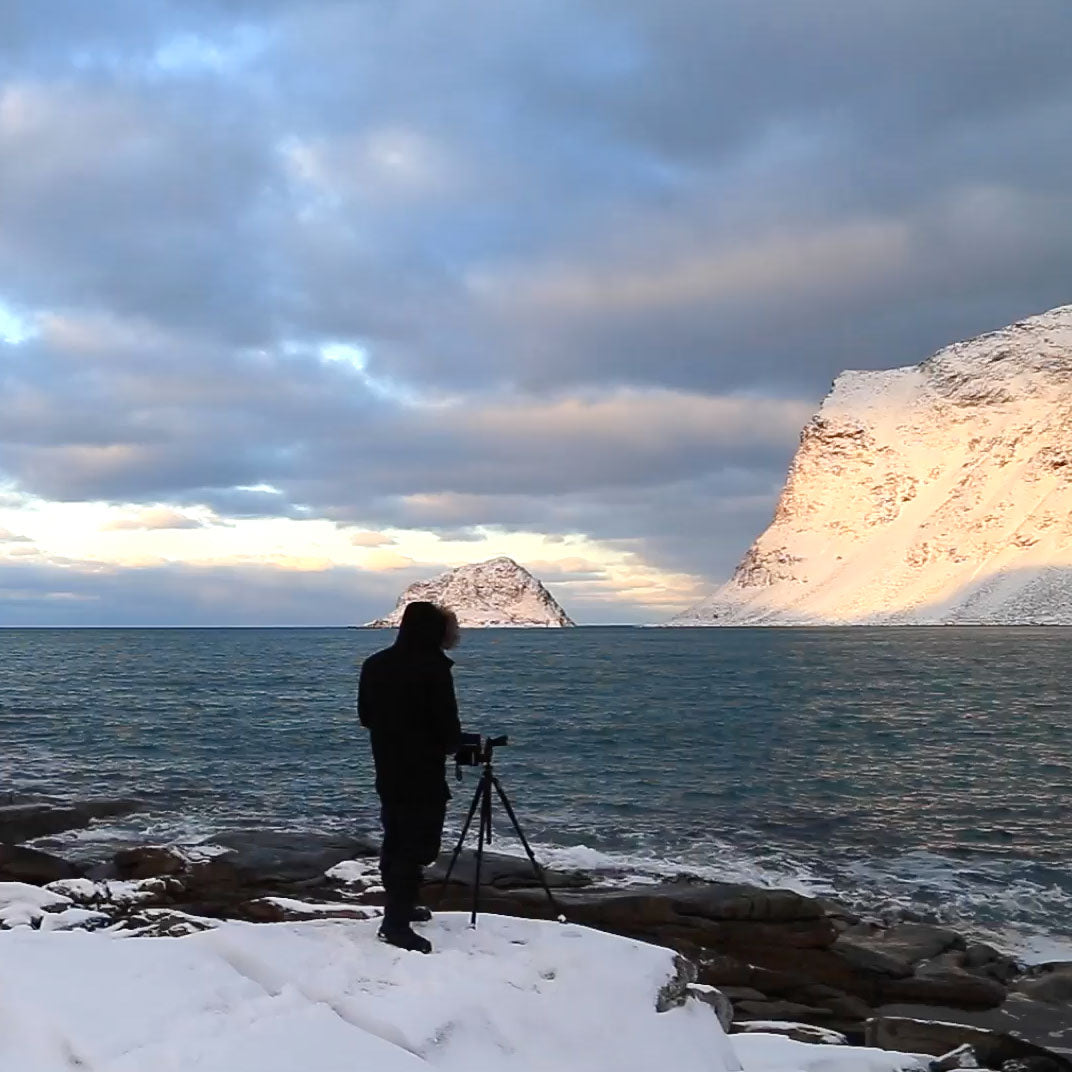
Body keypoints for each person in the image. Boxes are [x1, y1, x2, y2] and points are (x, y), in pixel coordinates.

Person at [358, 601, 462, 953]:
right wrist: (451, 744)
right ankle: (395, 925)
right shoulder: (433, 669)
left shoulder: (374, 665)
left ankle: (399, 909)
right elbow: (447, 730)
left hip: (388, 768)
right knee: (418, 847)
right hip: (423, 773)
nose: (455, 635)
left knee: (396, 840)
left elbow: (366, 717)